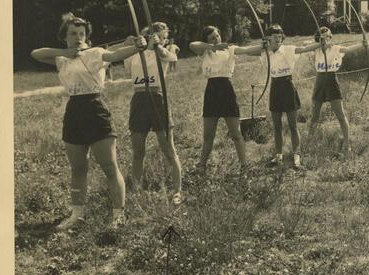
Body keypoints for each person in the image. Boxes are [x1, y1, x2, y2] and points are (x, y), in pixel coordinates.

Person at [30, 13, 146, 230]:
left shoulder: (96, 53)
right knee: (78, 168)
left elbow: (116, 54)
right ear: (64, 37)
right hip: (74, 111)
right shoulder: (61, 59)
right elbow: (36, 53)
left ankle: (118, 216)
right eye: (73, 34)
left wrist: (139, 46)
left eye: (82, 34)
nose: (78, 37)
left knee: (110, 166)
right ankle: (77, 215)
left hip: (95, 109)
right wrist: (65, 52)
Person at [189, 26, 265, 175]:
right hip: (211, 92)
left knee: (236, 133)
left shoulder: (230, 49)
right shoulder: (205, 51)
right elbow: (192, 45)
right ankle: (201, 166)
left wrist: (263, 45)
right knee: (208, 135)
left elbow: (247, 50)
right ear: (207, 41)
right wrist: (213, 46)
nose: (216, 39)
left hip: (226, 90)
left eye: (217, 36)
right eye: (212, 38)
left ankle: (244, 166)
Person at [123, 22, 183, 204]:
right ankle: (136, 190)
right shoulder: (134, 54)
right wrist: (131, 45)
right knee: (138, 150)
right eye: (159, 36)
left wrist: (157, 46)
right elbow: (124, 60)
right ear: (148, 35)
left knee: (168, 149)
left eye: (164, 38)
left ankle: (177, 191)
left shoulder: (163, 52)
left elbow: (171, 57)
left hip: (158, 99)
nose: (163, 41)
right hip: (139, 100)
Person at [264, 24, 322, 169]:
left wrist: (320, 43)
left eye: (279, 36)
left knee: (293, 125)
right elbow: (248, 51)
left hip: (287, 86)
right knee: (277, 126)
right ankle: (278, 156)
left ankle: (297, 157)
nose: (278, 38)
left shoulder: (288, 49)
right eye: (274, 35)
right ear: (268, 38)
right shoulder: (265, 52)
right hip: (275, 88)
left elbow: (303, 49)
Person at [307, 26, 367, 157]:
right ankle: (309, 143)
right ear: (319, 38)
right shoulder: (315, 49)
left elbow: (348, 49)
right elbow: (304, 46)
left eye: (329, 36)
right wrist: (319, 43)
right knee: (314, 116)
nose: (327, 39)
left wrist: (362, 44)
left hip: (331, 81)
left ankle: (347, 143)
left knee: (340, 114)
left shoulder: (335, 48)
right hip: (319, 81)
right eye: (323, 37)